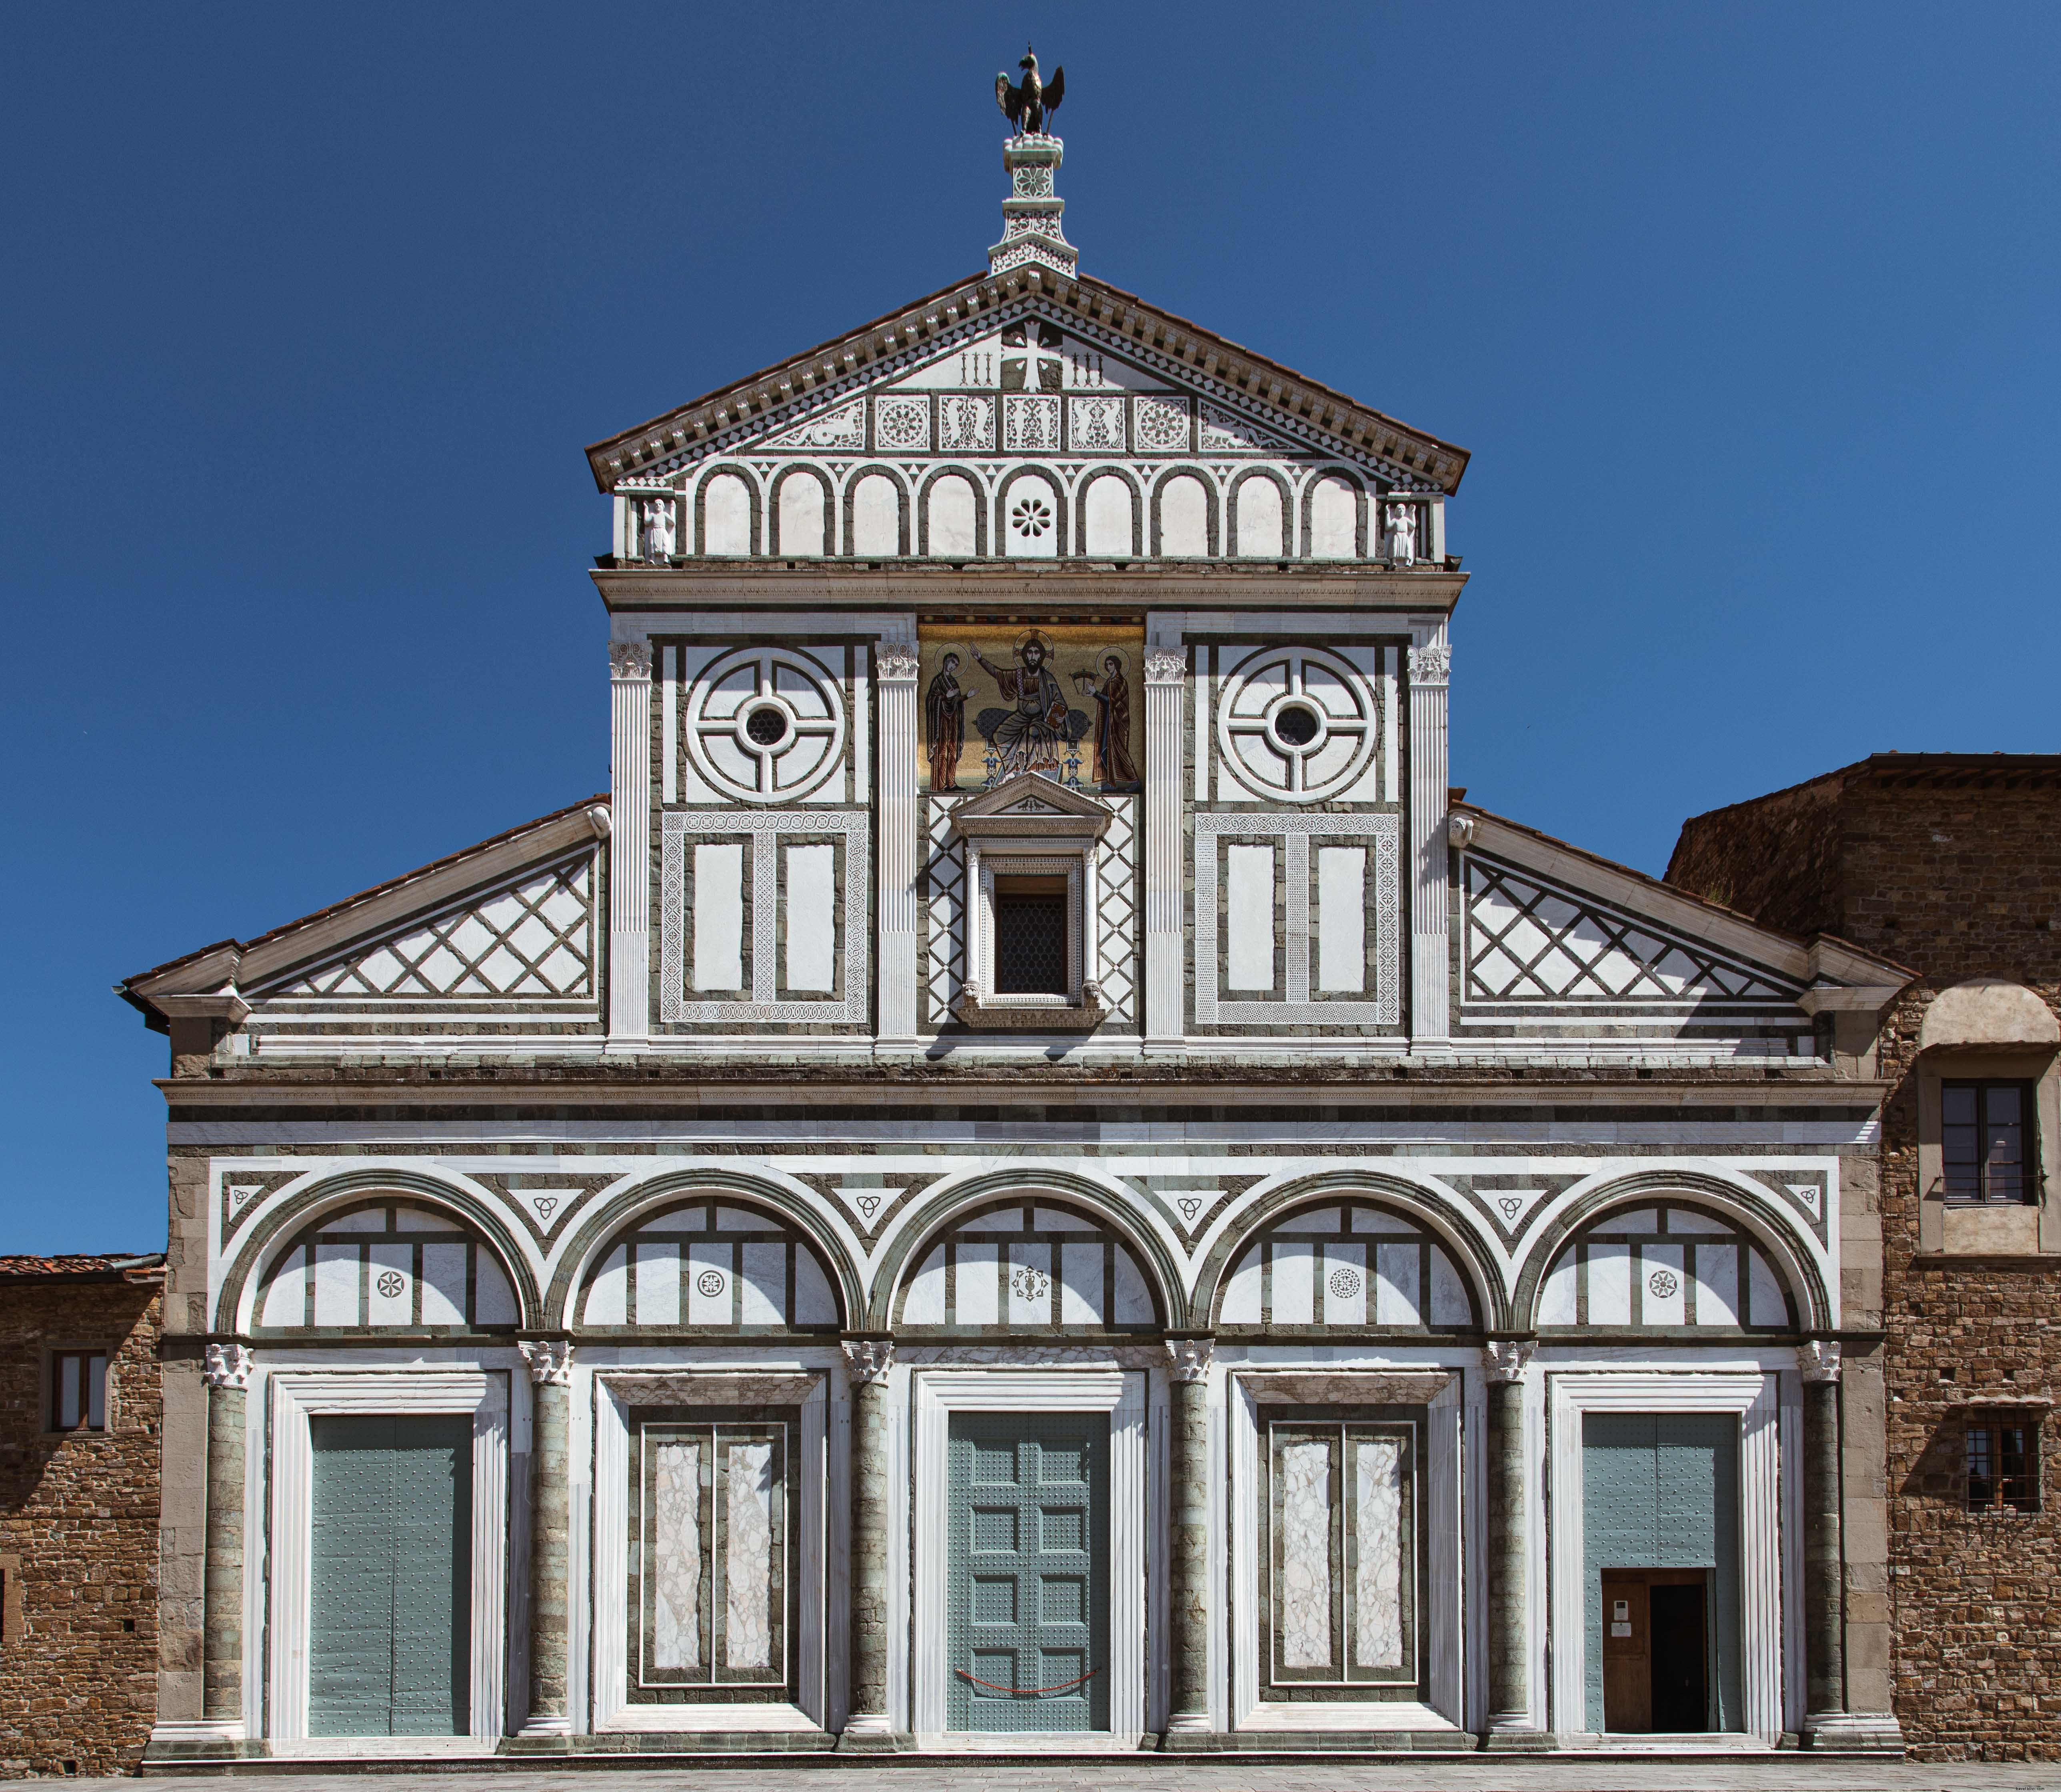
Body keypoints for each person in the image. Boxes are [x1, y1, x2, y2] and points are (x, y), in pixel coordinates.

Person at [973, 632, 1068, 780]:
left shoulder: (1047, 678)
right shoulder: (1018, 675)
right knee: (999, 735)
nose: (1032, 657)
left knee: (1033, 732)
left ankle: (1033, 770)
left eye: (1036, 653)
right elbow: (998, 674)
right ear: (1025, 656)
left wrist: (1056, 720)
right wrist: (981, 659)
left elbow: (1059, 701)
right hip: (1022, 717)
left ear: (1041, 657)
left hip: (1041, 718)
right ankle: (1011, 769)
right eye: (1029, 653)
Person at [1087, 653, 1140, 788]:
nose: (1108, 667)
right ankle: (1111, 782)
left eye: (1111, 664)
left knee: (1120, 753)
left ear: (1117, 665)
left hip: (1118, 723)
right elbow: (1104, 700)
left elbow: (1112, 701)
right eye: (1106, 665)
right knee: (1105, 751)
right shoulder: (1109, 683)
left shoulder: (1120, 683)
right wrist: (1092, 694)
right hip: (1108, 723)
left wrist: (1095, 693)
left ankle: (1134, 781)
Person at [926, 652, 966, 789]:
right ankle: (941, 783)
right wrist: (944, 697)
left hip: (953, 719)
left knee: (953, 749)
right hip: (941, 719)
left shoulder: (954, 683)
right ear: (945, 662)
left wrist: (967, 696)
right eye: (952, 663)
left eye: (955, 665)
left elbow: (956, 700)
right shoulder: (938, 681)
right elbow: (931, 701)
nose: (953, 667)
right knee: (943, 750)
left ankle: (951, 781)